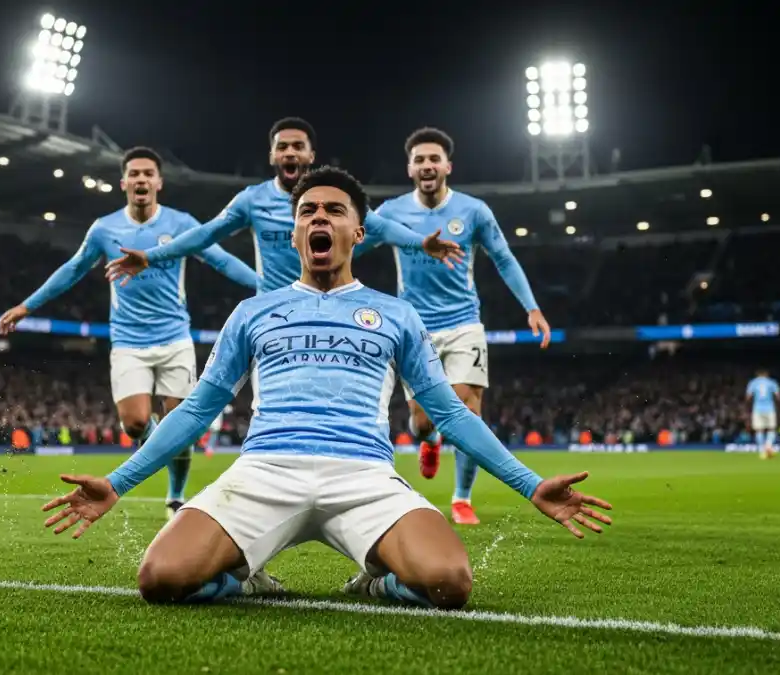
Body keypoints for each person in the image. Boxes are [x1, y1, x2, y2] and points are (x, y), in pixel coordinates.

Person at [42, 166, 612, 609]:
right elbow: (196, 411)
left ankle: (376, 585)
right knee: (160, 580)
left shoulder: (396, 314)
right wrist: (117, 483)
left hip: (365, 477)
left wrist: (531, 484)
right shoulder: (252, 312)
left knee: (450, 584)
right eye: (308, 211)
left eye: (335, 210)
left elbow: (453, 415)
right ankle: (244, 580)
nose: (320, 218)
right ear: (294, 233)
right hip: (264, 470)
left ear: (358, 232)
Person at [0, 147, 259, 517]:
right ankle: (161, 448)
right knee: (136, 423)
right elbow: (73, 269)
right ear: (123, 183)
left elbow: (219, 259)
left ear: (159, 182)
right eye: (134, 173)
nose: (141, 179)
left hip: (174, 339)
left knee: (180, 424)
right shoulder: (105, 228)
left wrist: (263, 287)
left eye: (147, 173)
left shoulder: (181, 223)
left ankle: (175, 494)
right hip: (128, 341)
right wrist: (28, 305)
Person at [359, 127, 551, 525]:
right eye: (420, 160)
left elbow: (503, 258)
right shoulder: (392, 212)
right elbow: (355, 244)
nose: (427, 165)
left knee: (467, 411)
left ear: (448, 165)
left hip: (465, 322)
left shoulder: (474, 211)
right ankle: (427, 441)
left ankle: (462, 498)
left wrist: (531, 307)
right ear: (410, 168)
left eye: (434, 159)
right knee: (423, 421)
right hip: (415, 328)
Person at [103, 117, 464, 295]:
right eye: (283, 147)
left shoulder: (335, 196)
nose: (290, 152)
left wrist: (421, 242)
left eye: (297, 146)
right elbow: (206, 234)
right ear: (273, 155)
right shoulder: (252, 200)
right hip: (275, 309)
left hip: (330, 299)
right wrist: (151, 256)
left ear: (310, 155)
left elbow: (382, 227)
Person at [746, 369, 780, 458]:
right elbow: (778, 396)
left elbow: (748, 397)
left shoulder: (753, 382)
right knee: (771, 429)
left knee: (759, 430)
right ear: (766, 374)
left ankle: (762, 450)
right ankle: (768, 446)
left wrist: (748, 408)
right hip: (769, 408)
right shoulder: (772, 382)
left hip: (757, 408)